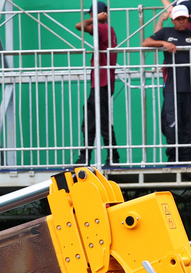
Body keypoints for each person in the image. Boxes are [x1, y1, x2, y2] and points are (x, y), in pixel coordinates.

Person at [142, 4, 191, 163]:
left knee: (190, 122)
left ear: (188, 19)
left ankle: (187, 157)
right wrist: (163, 43)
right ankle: (173, 156)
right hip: (172, 86)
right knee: (171, 122)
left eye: (184, 19)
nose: (181, 22)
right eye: (178, 19)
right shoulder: (166, 32)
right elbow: (146, 42)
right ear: (173, 20)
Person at [74, 2, 120, 166]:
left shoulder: (103, 28)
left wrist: (95, 19)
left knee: (98, 120)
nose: (89, 18)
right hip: (101, 81)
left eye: (92, 14)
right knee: (92, 119)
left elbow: (79, 25)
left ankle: (109, 157)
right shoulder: (106, 29)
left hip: (102, 81)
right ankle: (92, 157)